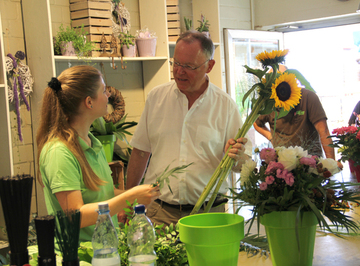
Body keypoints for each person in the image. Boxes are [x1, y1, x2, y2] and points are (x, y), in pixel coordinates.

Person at [124, 31, 252, 227]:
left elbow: (242, 165)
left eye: (189, 66)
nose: (179, 71)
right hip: (159, 213)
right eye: (176, 63)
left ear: (209, 66)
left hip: (208, 214)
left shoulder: (225, 107)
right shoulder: (156, 98)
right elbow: (140, 152)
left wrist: (236, 156)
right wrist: (127, 201)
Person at [36, 65, 160, 242]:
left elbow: (104, 194)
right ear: (89, 102)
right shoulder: (59, 152)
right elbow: (76, 215)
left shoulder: (92, 142)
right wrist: (129, 197)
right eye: (103, 91)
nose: (108, 95)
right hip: (79, 255)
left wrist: (140, 194)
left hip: (105, 249)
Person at [253, 66, 342, 168]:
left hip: (311, 165)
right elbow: (256, 123)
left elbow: (323, 131)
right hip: (282, 166)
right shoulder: (269, 103)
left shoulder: (308, 97)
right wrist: (271, 137)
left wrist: (331, 163)